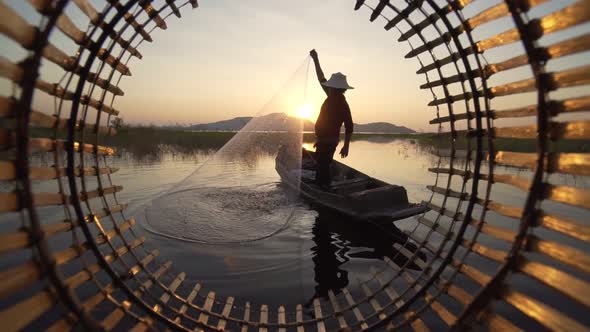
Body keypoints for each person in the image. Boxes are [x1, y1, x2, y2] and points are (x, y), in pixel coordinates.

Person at [309, 49, 354, 186]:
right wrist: (316, 59)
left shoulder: (342, 103)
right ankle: (322, 186)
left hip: (328, 141)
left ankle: (323, 189)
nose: (328, 88)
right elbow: (320, 78)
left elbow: (349, 126)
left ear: (338, 89)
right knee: (322, 165)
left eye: (331, 87)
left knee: (322, 166)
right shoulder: (331, 95)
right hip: (323, 140)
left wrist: (346, 146)